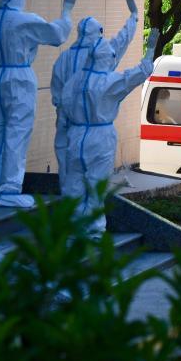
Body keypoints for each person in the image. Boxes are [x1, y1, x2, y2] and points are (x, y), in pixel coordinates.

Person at [0, 0, 78, 207]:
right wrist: (67, 11)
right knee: (16, 133)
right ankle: (9, 190)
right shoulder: (25, 21)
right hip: (18, 78)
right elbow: (57, 34)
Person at [60, 29, 159, 236]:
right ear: (106, 58)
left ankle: (72, 229)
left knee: (74, 185)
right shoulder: (109, 81)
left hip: (76, 135)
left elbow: (64, 108)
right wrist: (150, 49)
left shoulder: (74, 81)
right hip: (100, 136)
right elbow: (140, 72)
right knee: (96, 185)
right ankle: (94, 231)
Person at [50, 0, 138, 188]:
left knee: (69, 172)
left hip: (67, 123)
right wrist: (133, 17)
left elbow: (56, 93)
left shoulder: (64, 58)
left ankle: (68, 202)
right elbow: (121, 41)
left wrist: (65, 110)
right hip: (96, 129)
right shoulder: (103, 57)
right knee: (95, 177)